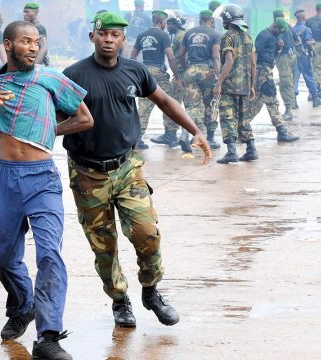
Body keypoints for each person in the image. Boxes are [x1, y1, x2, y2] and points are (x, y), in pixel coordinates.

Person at [63, 11, 211, 330]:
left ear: (123, 40)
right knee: (104, 244)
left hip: (127, 167)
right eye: (103, 34)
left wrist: (195, 130)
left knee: (147, 233)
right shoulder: (73, 75)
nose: (108, 40)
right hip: (88, 173)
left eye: (115, 35)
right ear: (92, 37)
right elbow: (51, 115)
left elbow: (165, 100)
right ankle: (120, 301)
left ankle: (151, 291)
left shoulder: (135, 71)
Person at [0, 20, 93, 360]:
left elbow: (85, 118)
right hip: (8, 177)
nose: (32, 47)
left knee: (48, 255)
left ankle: (49, 336)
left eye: (36, 42)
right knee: (5, 260)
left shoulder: (50, 78)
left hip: (43, 178)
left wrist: (47, 130)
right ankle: (23, 304)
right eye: (24, 41)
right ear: (8, 45)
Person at [213, 4, 256, 164]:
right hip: (244, 86)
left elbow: (229, 61)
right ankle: (251, 149)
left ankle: (232, 152)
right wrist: (251, 86)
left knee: (227, 117)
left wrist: (218, 83)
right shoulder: (248, 37)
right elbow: (253, 64)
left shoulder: (228, 36)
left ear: (228, 19)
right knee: (244, 119)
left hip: (230, 86)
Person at [130, 10, 179, 150]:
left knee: (144, 106)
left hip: (145, 72)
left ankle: (137, 138)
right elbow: (170, 57)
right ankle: (170, 135)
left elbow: (133, 56)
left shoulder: (142, 35)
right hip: (158, 72)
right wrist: (177, 76)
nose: (166, 24)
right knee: (169, 102)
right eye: (165, 22)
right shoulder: (163, 35)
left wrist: (137, 72)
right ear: (162, 21)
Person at [249, 19, 299, 143]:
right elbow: (255, 54)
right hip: (263, 72)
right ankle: (281, 131)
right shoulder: (264, 35)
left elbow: (271, 55)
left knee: (256, 103)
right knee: (272, 101)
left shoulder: (272, 36)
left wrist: (278, 48)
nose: (280, 33)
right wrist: (253, 74)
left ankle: (241, 128)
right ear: (275, 26)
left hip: (266, 70)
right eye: (280, 31)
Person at [178, 9, 221, 152]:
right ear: (212, 21)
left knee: (191, 106)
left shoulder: (188, 33)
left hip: (191, 70)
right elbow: (215, 57)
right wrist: (219, 76)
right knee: (211, 105)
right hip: (207, 71)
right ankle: (210, 137)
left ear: (199, 19)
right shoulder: (215, 34)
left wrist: (186, 70)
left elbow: (181, 54)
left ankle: (184, 134)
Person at [151, 10, 188, 148]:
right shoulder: (178, 36)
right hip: (181, 75)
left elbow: (182, 57)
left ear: (174, 23)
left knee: (172, 105)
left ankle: (172, 135)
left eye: (169, 24)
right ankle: (173, 135)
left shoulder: (180, 36)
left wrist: (181, 75)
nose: (167, 26)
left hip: (181, 77)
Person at [293, 9, 321, 108]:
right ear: (303, 17)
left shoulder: (292, 29)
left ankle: (293, 101)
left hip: (294, 57)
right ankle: (315, 99)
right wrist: (313, 42)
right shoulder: (306, 29)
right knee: (309, 77)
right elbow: (308, 42)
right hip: (304, 56)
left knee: (295, 79)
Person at [272, 9, 298, 121]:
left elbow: (279, 44)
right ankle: (293, 103)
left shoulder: (278, 28)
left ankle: (288, 111)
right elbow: (298, 40)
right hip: (292, 56)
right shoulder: (289, 26)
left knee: (285, 83)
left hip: (284, 58)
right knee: (290, 81)